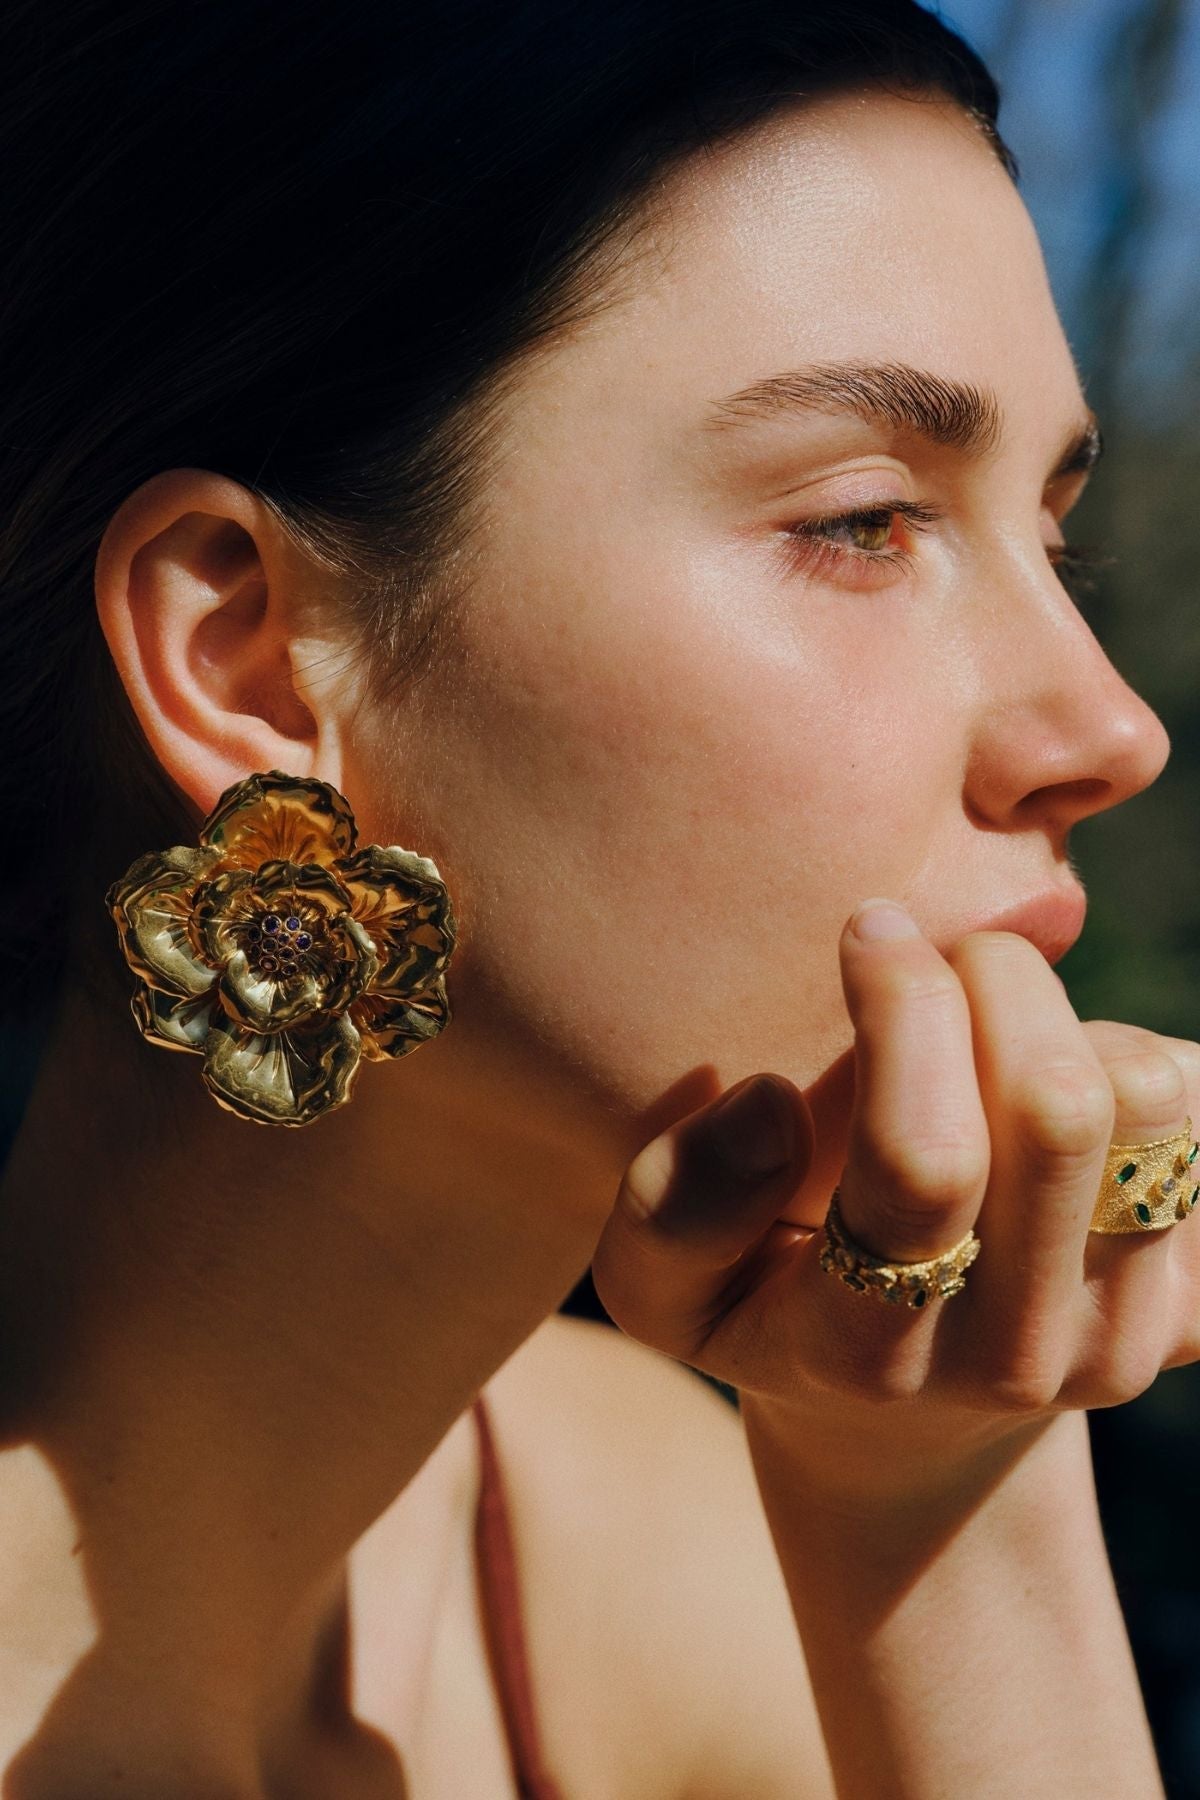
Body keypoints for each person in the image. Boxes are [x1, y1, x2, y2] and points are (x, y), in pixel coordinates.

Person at [0, 0, 1190, 1793]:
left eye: (1053, 533)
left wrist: (952, 1495)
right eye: (864, 519)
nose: (1110, 729)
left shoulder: (653, 1559)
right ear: (244, 657)